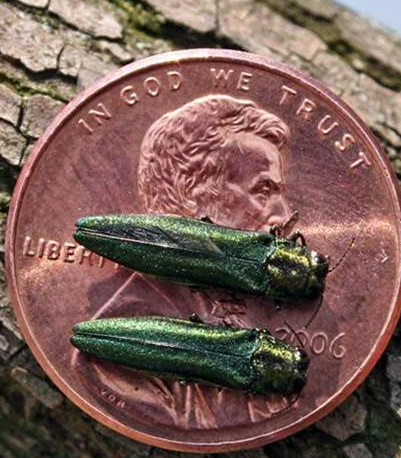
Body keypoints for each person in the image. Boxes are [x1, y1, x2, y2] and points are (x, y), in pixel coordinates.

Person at [73, 95, 297, 429]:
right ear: (194, 195)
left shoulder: (237, 310)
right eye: (263, 191)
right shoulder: (108, 361)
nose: (284, 216)